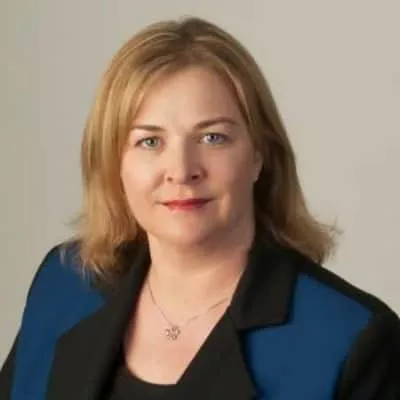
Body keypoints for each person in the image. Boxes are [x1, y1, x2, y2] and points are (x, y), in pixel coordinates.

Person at [0, 16, 399, 400]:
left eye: (212, 137)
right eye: (150, 142)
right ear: (114, 163)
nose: (181, 170)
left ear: (259, 155)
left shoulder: (350, 341)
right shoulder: (64, 285)